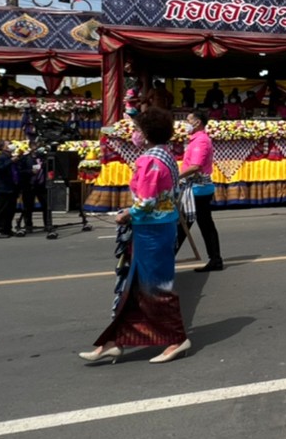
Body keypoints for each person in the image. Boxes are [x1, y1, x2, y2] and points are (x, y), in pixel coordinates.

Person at [80, 107, 192, 364]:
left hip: (152, 230)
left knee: (156, 286)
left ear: (147, 133)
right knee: (135, 286)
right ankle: (114, 341)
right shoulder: (166, 155)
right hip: (159, 226)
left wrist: (127, 213)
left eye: (138, 130)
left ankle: (176, 339)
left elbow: (146, 201)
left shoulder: (150, 160)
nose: (135, 134)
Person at [177, 109, 224, 272]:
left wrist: (175, 177)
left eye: (188, 121)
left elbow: (195, 166)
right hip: (197, 189)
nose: (186, 124)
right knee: (203, 224)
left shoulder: (201, 141)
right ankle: (215, 259)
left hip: (197, 190)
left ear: (197, 122)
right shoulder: (196, 139)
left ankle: (165, 260)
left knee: (183, 225)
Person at [16, 148, 52, 235]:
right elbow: (19, 171)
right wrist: (30, 171)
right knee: (28, 207)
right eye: (35, 147)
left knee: (46, 206)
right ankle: (28, 225)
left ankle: (48, 224)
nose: (36, 149)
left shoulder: (44, 158)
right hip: (29, 185)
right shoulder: (25, 158)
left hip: (41, 185)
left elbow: (51, 168)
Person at [0, 139, 17, 239]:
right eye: (9, 144)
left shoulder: (10, 157)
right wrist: (10, 161)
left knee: (10, 210)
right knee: (1, 210)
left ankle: (7, 229)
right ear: (3, 147)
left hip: (11, 188)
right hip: (1, 188)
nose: (11, 145)